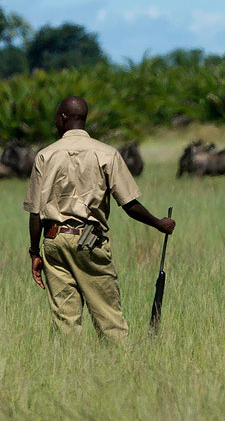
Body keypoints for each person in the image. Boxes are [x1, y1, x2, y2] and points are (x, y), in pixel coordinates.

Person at [24, 96, 175, 339]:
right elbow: (129, 204)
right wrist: (159, 223)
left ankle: (69, 371)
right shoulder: (107, 153)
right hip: (89, 241)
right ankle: (120, 366)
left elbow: (35, 212)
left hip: (54, 241)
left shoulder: (45, 155)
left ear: (62, 117)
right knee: (109, 319)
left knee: (65, 323)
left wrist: (34, 252)